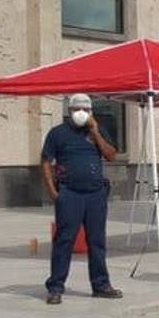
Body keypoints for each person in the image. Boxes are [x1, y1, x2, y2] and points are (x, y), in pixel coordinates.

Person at [41, 93, 121, 305]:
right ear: (69, 111)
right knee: (64, 241)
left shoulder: (97, 130)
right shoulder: (57, 133)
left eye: (85, 109)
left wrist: (94, 131)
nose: (80, 113)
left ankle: (101, 285)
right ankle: (56, 287)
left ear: (91, 112)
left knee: (97, 241)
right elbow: (46, 161)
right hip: (69, 194)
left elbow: (111, 155)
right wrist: (53, 192)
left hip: (95, 194)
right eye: (77, 109)